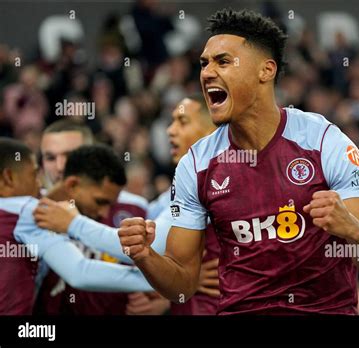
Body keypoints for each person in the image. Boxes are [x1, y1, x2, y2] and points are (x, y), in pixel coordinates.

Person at [119, 9, 359, 315]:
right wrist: (144, 255)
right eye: (204, 63)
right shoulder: (195, 164)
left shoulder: (324, 142)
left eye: (223, 61)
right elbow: (182, 285)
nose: (207, 72)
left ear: (266, 70)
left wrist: (353, 230)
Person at [0, 138, 154, 315]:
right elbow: (80, 272)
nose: (40, 183)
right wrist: (162, 279)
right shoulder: (28, 212)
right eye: (34, 175)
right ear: (8, 177)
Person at [38, 120, 166, 315]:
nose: (61, 166)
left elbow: (162, 256)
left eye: (70, 155)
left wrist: (167, 297)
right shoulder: (32, 212)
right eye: (50, 157)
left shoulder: (135, 207)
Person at [148, 95, 220, 314]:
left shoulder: (231, 186)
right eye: (171, 121)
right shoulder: (160, 203)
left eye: (183, 121)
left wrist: (72, 223)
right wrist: (171, 291)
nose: (170, 130)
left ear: (212, 133)